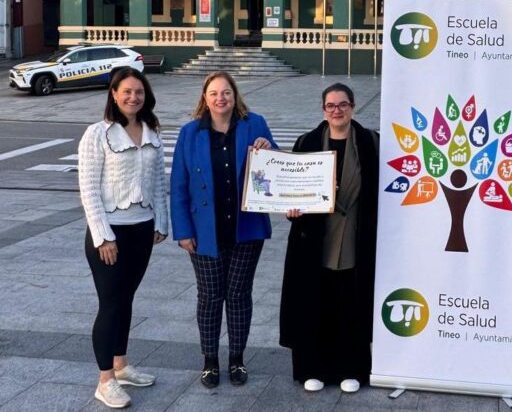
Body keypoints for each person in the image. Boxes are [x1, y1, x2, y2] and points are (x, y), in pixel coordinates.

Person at [170, 71, 277, 388]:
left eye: (226, 92)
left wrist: (268, 147)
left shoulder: (254, 124)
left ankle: (237, 359)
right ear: (205, 98)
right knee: (209, 296)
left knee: (239, 295)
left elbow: (276, 167)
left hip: (247, 229)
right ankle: (210, 362)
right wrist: (183, 230)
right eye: (214, 93)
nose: (221, 98)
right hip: (204, 231)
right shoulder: (190, 133)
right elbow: (179, 185)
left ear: (235, 95)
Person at [279, 83, 379, 393]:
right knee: (314, 302)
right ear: (323, 109)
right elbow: (291, 189)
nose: (337, 111)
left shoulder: (371, 142)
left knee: (350, 302)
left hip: (354, 236)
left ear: (353, 107)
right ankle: (312, 368)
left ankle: (352, 368)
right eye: (331, 105)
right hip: (313, 238)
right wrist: (290, 209)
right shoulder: (306, 142)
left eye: (343, 105)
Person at [78, 68, 168, 409]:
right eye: (127, 91)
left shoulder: (151, 131)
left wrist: (161, 222)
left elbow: (159, 182)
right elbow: (88, 189)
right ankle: (105, 380)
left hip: (141, 229)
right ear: (114, 94)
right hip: (110, 233)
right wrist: (103, 237)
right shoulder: (97, 134)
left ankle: (121, 365)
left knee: (126, 299)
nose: (133, 97)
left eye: (139, 92)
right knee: (111, 303)